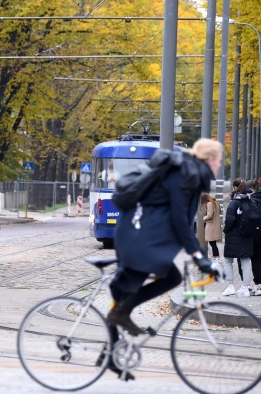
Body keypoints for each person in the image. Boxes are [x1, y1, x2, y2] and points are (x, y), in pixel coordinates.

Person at [107, 138, 223, 337]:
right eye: (219, 160)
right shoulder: (185, 174)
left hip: (138, 234)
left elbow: (181, 222)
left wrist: (198, 255)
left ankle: (110, 353)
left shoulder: (188, 172)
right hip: (139, 238)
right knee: (168, 279)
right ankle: (120, 318)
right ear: (209, 159)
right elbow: (180, 220)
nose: (219, 164)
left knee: (124, 296)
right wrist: (198, 255)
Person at [221, 178, 254, 297]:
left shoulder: (234, 202)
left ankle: (230, 286)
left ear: (235, 187)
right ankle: (245, 287)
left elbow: (230, 219)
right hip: (247, 236)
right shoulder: (250, 200)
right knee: (245, 261)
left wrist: (225, 230)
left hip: (233, 236)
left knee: (228, 261)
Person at [245, 180, 261, 296]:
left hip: (255, 236)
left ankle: (258, 285)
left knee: (256, 260)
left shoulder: (251, 202)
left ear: (250, 189)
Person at [201, 193, 222, 262]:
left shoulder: (209, 204)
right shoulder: (215, 202)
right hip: (215, 224)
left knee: (212, 243)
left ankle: (216, 257)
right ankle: (215, 257)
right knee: (213, 243)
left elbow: (209, 215)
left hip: (211, 225)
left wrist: (203, 218)